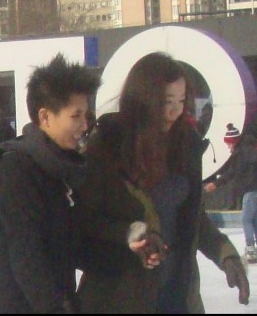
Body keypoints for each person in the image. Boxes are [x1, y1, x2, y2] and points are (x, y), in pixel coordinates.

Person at [76, 52, 249, 313]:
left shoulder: (186, 144)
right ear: (143, 99)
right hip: (119, 295)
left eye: (181, 100)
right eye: (166, 101)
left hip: (176, 293)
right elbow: (85, 220)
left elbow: (192, 217)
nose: (175, 111)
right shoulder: (108, 145)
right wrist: (131, 233)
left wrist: (226, 255)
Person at [0, 54, 100, 314]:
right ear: (45, 117)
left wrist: (127, 245)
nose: (84, 125)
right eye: (75, 116)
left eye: (86, 115)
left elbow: (71, 244)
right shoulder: (17, 167)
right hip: (18, 305)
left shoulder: (64, 167)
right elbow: (26, 254)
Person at [205, 123, 257, 262]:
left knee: (246, 219)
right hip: (252, 190)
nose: (228, 147)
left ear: (233, 142)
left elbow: (232, 173)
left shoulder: (243, 153)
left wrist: (216, 184)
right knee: (254, 219)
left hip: (251, 190)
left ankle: (251, 249)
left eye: (228, 144)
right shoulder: (247, 150)